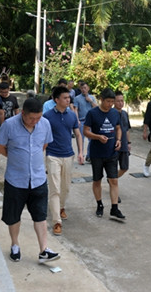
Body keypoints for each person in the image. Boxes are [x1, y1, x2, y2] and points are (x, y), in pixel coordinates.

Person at [0, 98, 60, 263]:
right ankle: (15, 245)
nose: (35, 121)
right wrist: (16, 157)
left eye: (38, 118)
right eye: (32, 118)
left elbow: (44, 145)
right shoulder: (9, 125)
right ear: (23, 113)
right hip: (15, 180)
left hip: (38, 179)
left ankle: (44, 250)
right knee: (14, 215)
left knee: (40, 215)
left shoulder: (45, 124)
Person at [43, 86, 83, 236]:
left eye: (68, 98)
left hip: (68, 155)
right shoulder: (47, 116)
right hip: (52, 155)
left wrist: (81, 152)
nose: (68, 100)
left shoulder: (72, 115)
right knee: (55, 188)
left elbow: (78, 134)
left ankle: (61, 207)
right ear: (56, 100)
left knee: (65, 187)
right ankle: (57, 221)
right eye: (65, 98)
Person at [83, 88, 124, 220]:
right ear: (101, 100)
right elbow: (85, 131)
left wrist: (118, 140)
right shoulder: (92, 113)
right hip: (97, 153)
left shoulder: (114, 113)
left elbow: (118, 128)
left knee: (114, 180)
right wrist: (98, 137)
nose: (110, 104)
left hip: (111, 152)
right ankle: (99, 204)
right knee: (97, 180)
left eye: (112, 102)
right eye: (108, 101)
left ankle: (114, 208)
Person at [73, 82, 97, 162]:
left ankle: (89, 155)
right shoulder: (77, 98)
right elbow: (76, 110)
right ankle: (81, 156)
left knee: (92, 139)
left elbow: (97, 108)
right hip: (82, 121)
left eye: (85, 88)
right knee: (81, 139)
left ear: (88, 88)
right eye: (82, 88)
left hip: (91, 122)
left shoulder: (92, 97)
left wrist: (91, 101)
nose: (84, 90)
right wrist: (77, 120)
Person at [113, 90, 131, 179]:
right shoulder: (111, 113)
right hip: (113, 144)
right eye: (118, 101)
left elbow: (127, 129)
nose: (121, 103)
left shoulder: (125, 114)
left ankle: (112, 179)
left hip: (124, 144)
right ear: (113, 102)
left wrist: (129, 142)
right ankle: (113, 180)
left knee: (124, 167)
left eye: (122, 101)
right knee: (112, 167)